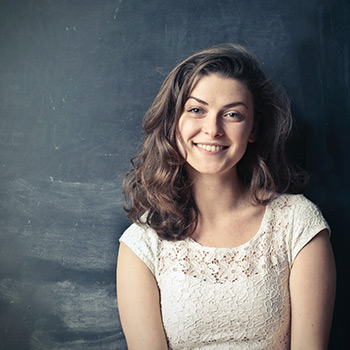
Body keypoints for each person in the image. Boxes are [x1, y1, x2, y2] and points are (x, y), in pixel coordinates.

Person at [116, 43, 336, 350]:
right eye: (196, 110)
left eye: (232, 114)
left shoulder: (297, 222)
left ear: (253, 128)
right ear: (172, 122)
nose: (213, 129)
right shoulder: (142, 243)